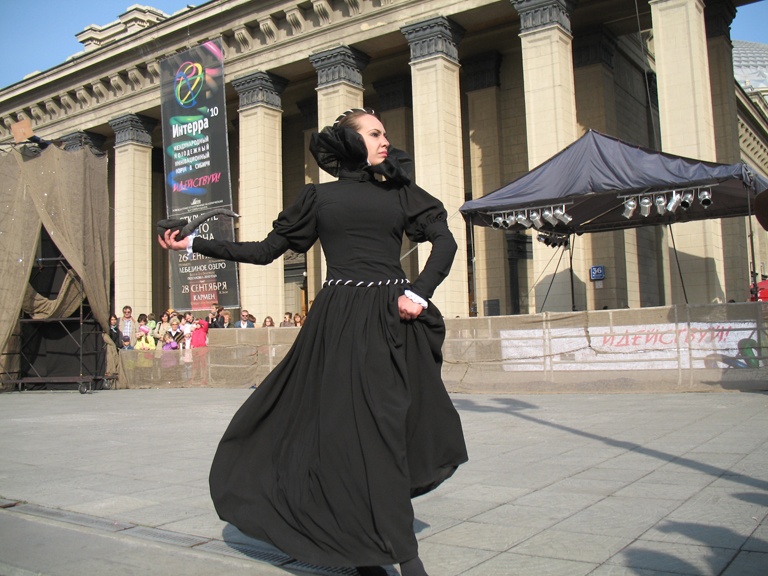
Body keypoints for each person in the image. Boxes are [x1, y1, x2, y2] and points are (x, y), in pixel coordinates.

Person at [158, 108, 467, 576]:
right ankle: (383, 556)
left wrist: (419, 292)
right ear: (349, 141)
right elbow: (265, 251)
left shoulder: (400, 191)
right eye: (374, 133)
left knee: (386, 431)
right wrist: (195, 245)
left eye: (384, 133)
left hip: (392, 318)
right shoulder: (318, 198)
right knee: (343, 436)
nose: (385, 140)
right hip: (338, 324)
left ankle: (388, 550)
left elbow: (445, 242)